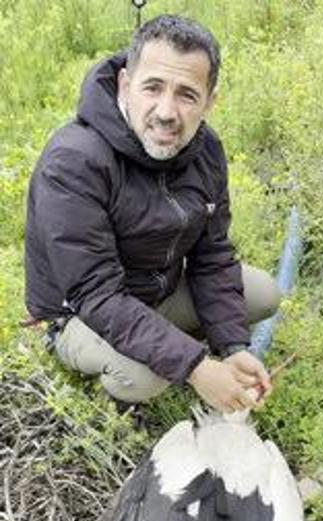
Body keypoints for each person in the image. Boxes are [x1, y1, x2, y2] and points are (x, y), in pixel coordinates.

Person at [23, 14, 277, 413]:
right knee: (147, 376)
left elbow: (212, 256)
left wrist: (232, 346)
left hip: (157, 291)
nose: (166, 112)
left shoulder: (206, 150)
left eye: (187, 95)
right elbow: (97, 295)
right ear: (125, 85)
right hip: (82, 313)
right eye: (153, 87)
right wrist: (196, 367)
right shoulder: (74, 162)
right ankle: (116, 368)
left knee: (263, 294)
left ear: (210, 102)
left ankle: (166, 342)